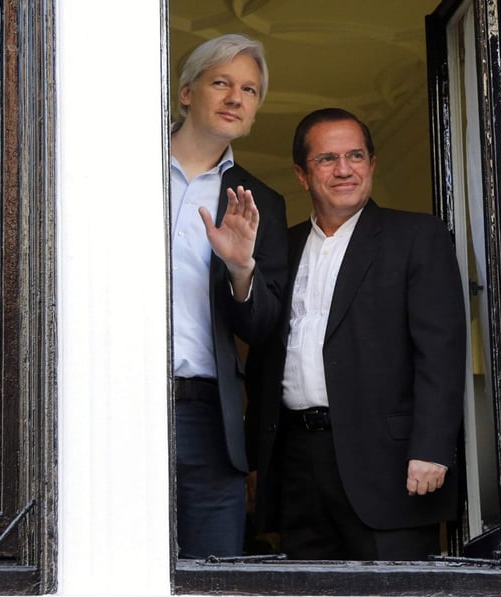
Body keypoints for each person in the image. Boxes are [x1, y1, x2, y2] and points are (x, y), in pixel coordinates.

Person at [245, 107, 466, 561]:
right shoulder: (280, 247)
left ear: (372, 164)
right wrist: (256, 459)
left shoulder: (416, 236)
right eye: (327, 159)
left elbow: (440, 353)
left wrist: (432, 448)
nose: (344, 169)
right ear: (302, 176)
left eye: (356, 156)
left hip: (391, 466)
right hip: (297, 462)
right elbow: (261, 350)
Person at [170, 34, 288, 559]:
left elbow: (263, 329)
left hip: (205, 415)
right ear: (186, 92)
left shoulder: (260, 201)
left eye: (250, 89)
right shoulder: (115, 171)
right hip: (108, 400)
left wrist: (242, 269)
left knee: (211, 577)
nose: (236, 97)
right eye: (221, 82)